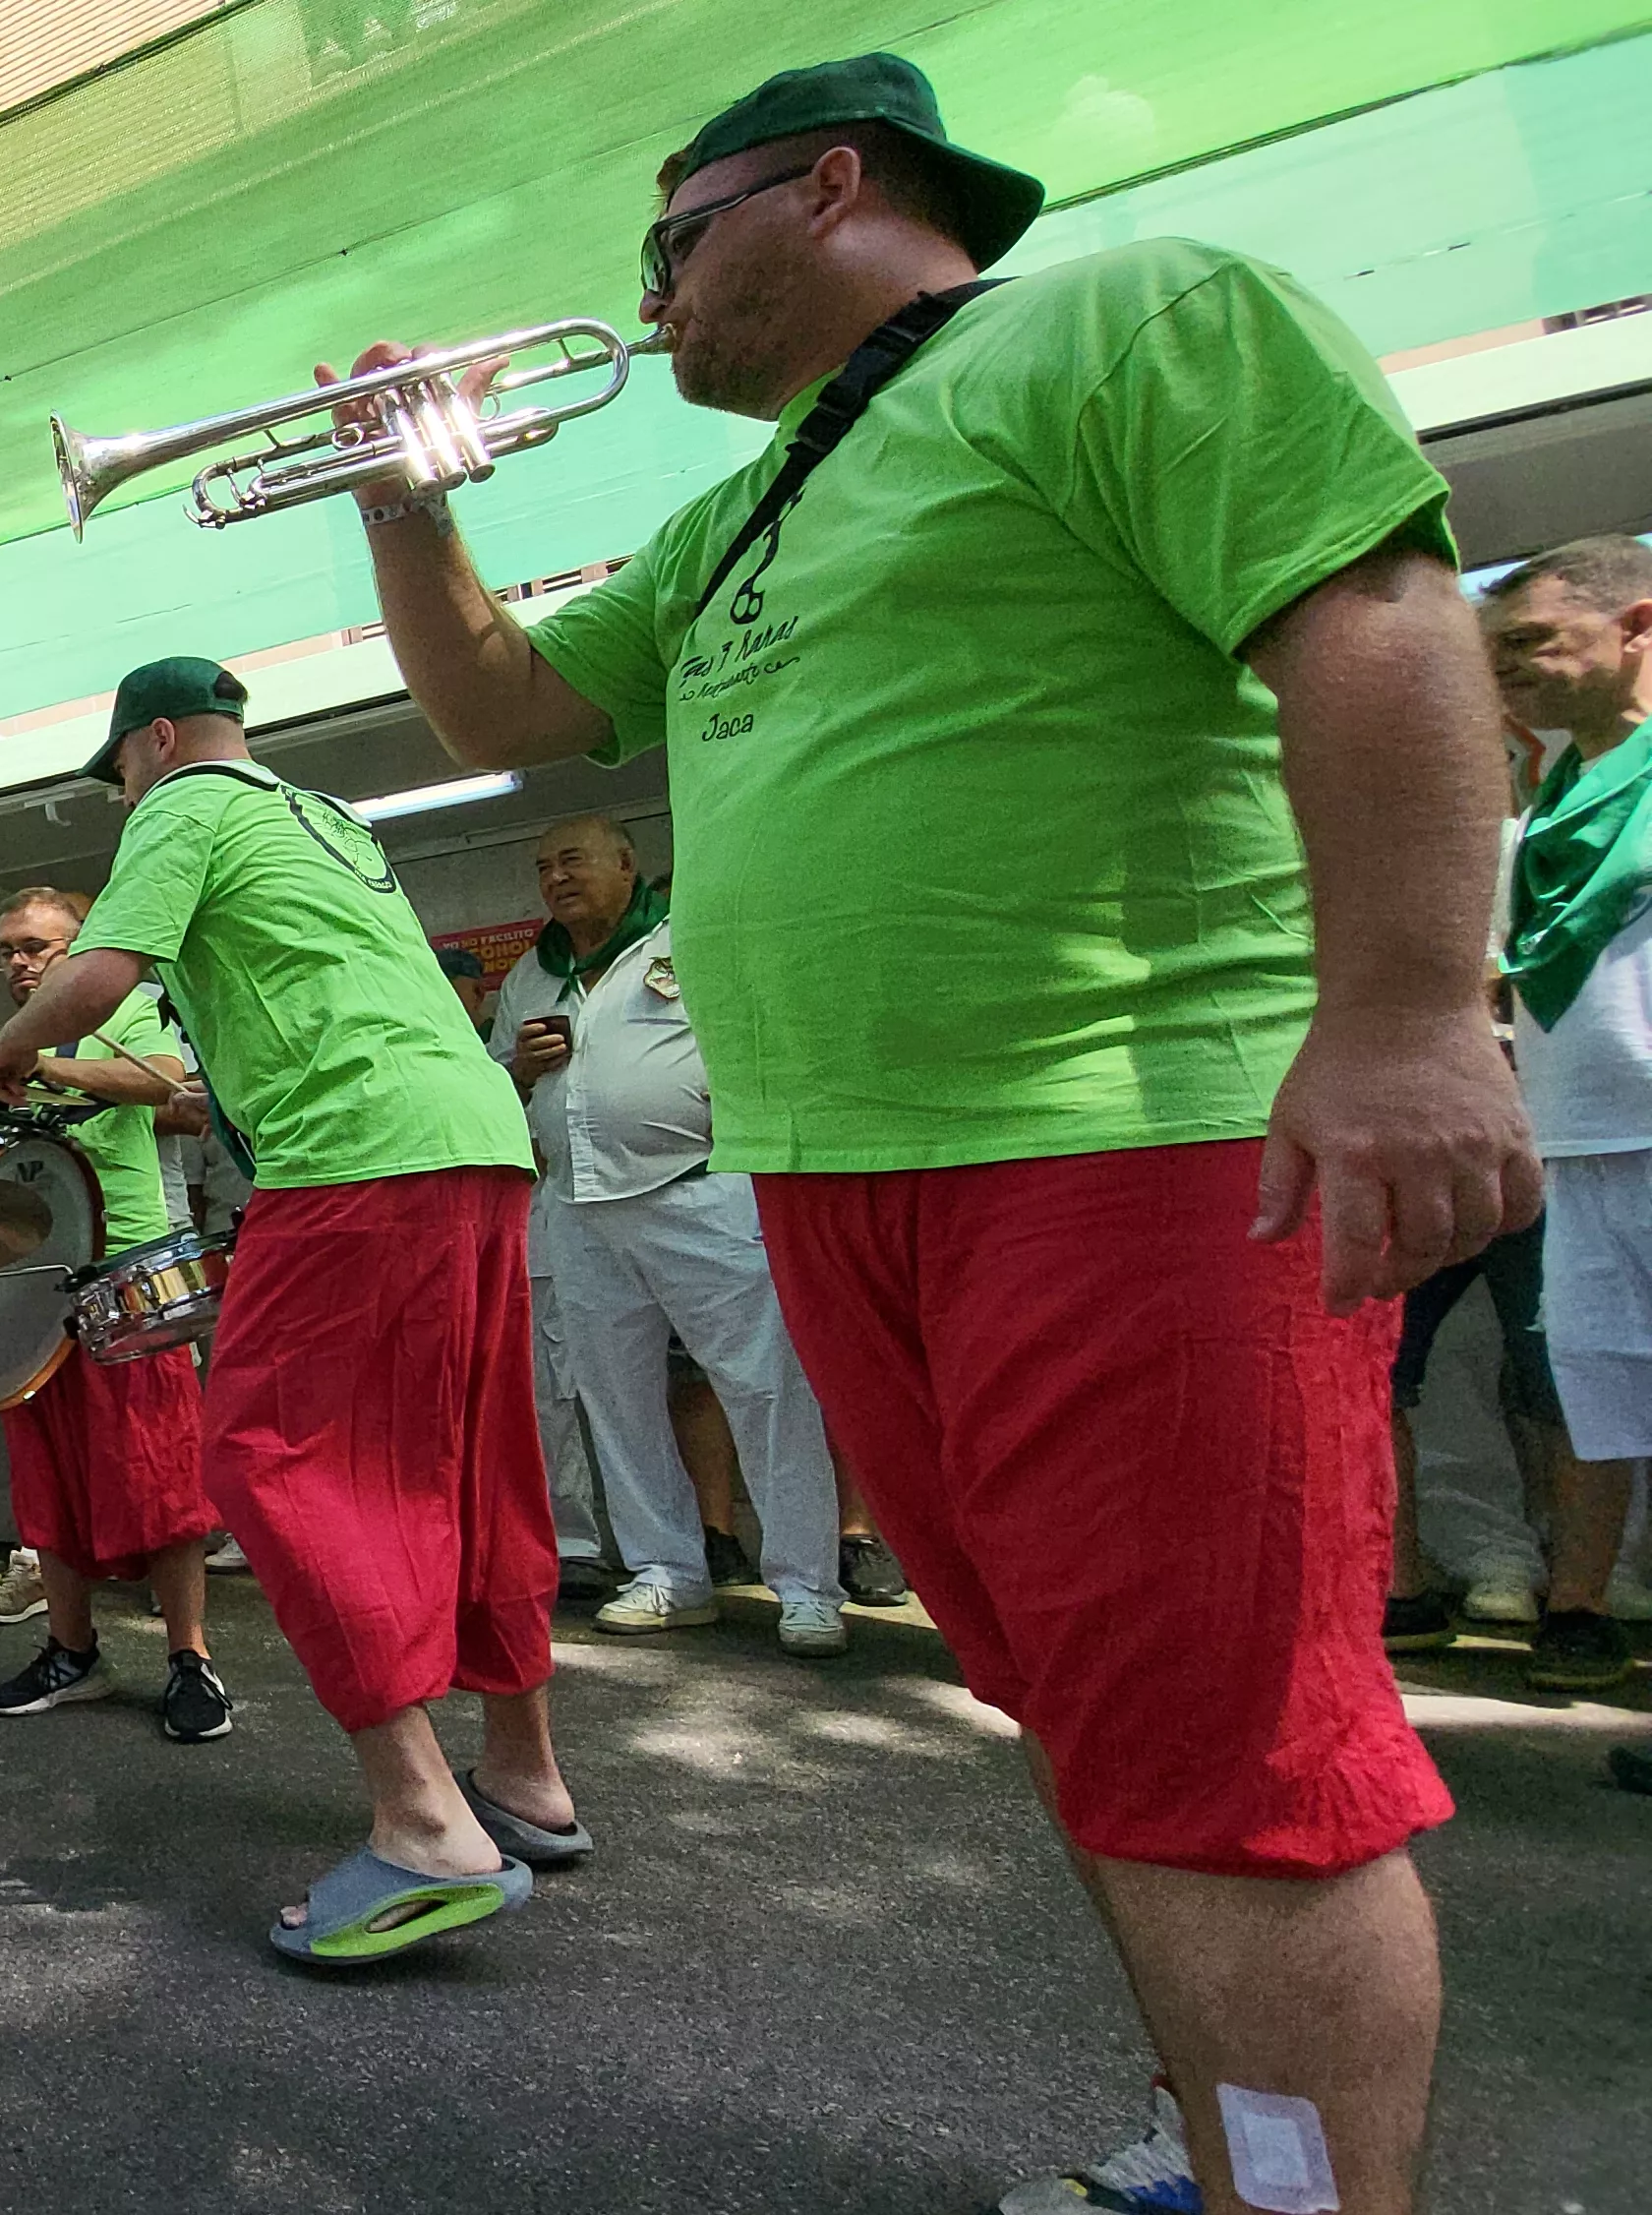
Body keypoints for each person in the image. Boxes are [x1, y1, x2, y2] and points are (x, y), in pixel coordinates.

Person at [357, 55, 1527, 2211]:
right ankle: (1220, 2152)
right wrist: (401, 497)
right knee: (1098, 1722)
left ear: (829, 185)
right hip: (842, 1177)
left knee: (1228, 1762)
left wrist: (1402, 1012)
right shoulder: (735, 512)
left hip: (1133, 1141)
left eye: (671, 237)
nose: (651, 296)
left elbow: (1373, 616)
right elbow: (508, 715)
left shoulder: (1120, 315)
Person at [0, 658, 571, 1965]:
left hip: (355, 1151)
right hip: (475, 1134)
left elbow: (99, 974)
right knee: (472, 1458)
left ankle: (423, 1824)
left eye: (119, 765)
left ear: (162, 738)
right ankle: (524, 1776)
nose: (120, 791)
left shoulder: (183, 801)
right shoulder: (332, 815)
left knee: (261, 1453)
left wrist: (5, 1051)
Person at [481, 816, 853, 1656]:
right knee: (614, 1398)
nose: (556, 880)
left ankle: (806, 1587)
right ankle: (668, 1573)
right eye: (543, 868)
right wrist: (521, 1069)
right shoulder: (533, 974)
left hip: (700, 1194)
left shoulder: (692, 941)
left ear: (625, 863)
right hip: (577, 1206)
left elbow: (764, 1038)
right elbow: (500, 1077)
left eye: (572, 860)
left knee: (764, 1390)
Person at [0, 886, 232, 1736]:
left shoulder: (133, 1010)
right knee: (49, 1475)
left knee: (163, 1474)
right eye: (7, 949)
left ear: (82, 948)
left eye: (38, 946)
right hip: (37, 1281)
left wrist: (39, 1063)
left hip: (130, 1276)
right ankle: (71, 1651)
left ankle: (192, 1661)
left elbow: (162, 1083)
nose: (20, 963)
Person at [1477, 537, 1652, 1695]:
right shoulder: (1558, 794)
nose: (1512, 672)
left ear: (1637, 625)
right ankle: (1586, 1614)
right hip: (1578, 1143)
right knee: (1605, 1402)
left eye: (1532, 642)